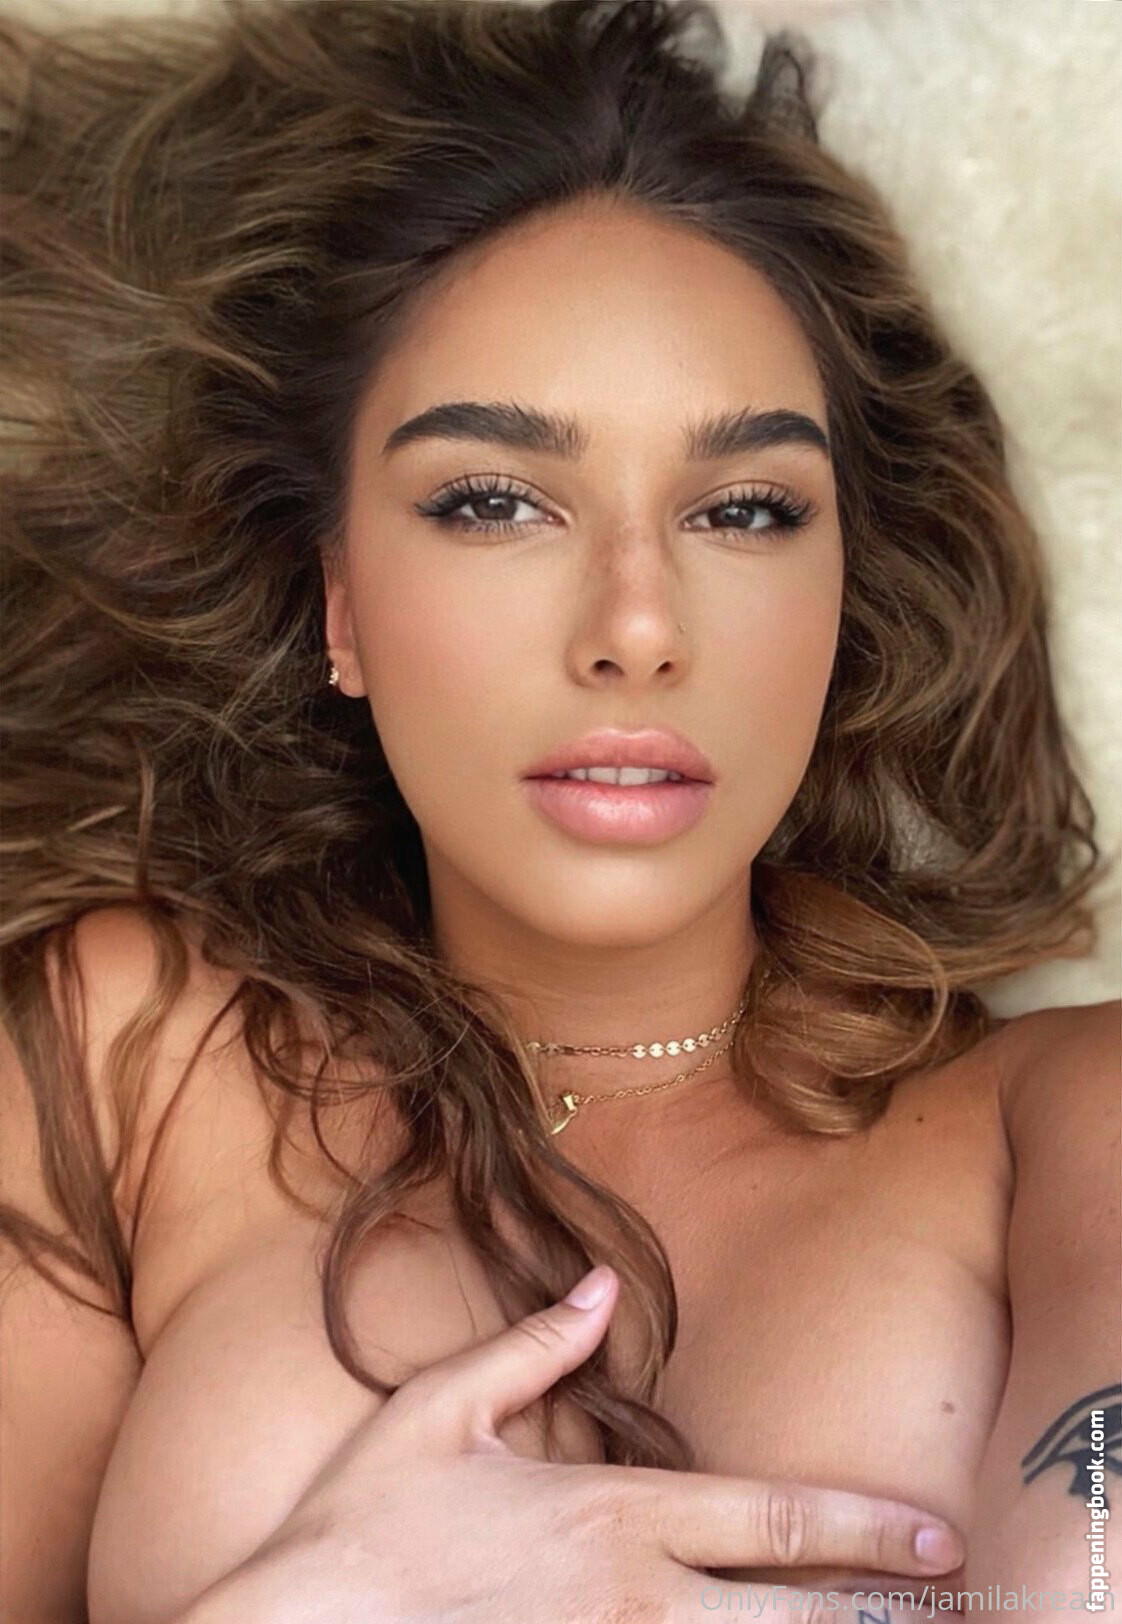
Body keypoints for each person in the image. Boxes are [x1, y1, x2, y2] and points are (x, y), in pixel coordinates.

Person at [1, 0, 1118, 1619]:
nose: (636, 626)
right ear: (339, 606)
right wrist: (325, 1597)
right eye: (492, 501)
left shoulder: (1071, 1119)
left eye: (745, 510)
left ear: (842, 597)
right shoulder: (130, 1058)